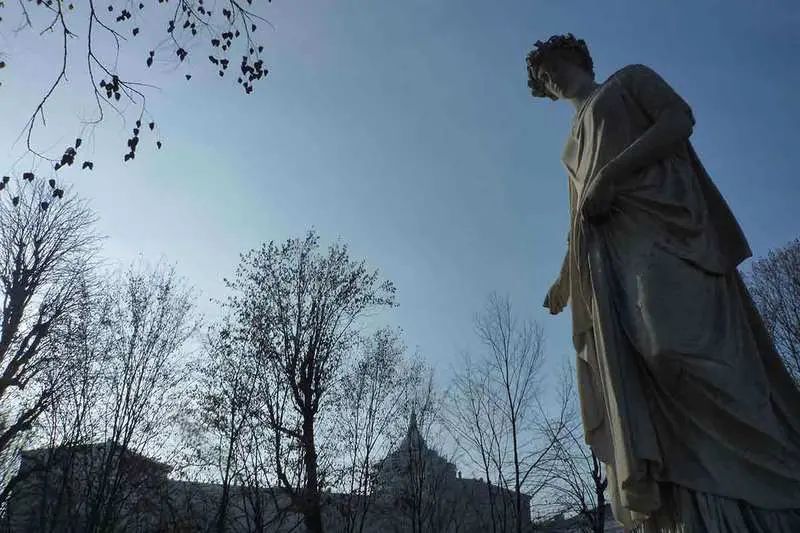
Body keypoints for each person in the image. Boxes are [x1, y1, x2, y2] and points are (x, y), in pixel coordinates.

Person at [527, 34, 800, 532]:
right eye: (543, 79)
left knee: (674, 347)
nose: (550, 79)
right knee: (646, 371)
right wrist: (565, 277)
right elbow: (578, 216)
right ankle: (697, 498)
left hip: (668, 230)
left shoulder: (629, 81)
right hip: (613, 259)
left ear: (578, 58)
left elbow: (678, 121)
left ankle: (770, 475)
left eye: (553, 66)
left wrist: (612, 174)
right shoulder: (570, 145)